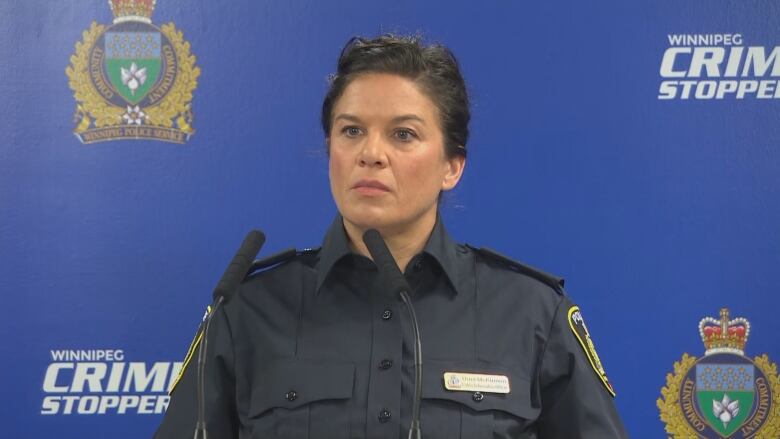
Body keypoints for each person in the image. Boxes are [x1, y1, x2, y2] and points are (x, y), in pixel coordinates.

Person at [154, 34, 628, 439]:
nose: (371, 153)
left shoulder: (533, 314)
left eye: (403, 134)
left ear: (452, 166)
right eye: (352, 130)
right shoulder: (248, 310)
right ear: (330, 150)